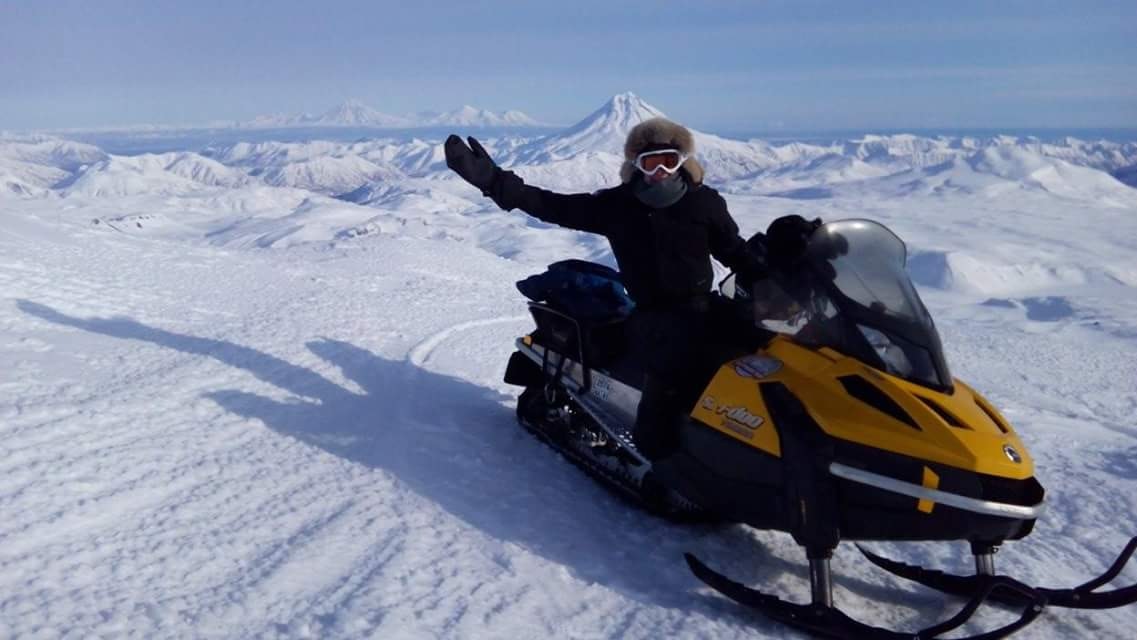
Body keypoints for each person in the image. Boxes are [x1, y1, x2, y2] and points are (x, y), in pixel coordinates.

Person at [444, 117, 818, 461]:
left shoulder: (704, 202)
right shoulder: (617, 206)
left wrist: (785, 275)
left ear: (682, 160)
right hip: (655, 318)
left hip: (705, 308)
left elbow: (735, 252)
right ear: (635, 164)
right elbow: (551, 205)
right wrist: (494, 181)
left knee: (768, 352)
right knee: (675, 390)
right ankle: (671, 460)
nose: (660, 172)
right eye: (650, 162)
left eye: (668, 161)